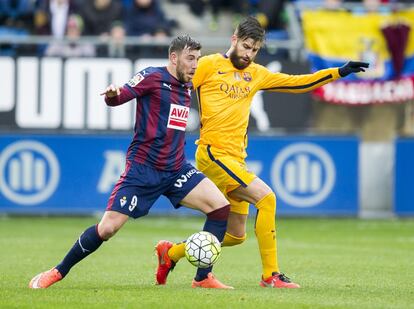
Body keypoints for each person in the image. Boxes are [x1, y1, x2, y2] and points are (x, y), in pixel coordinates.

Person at [155, 16, 369, 288]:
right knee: (266, 199)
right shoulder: (207, 65)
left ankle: (171, 253)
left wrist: (337, 72)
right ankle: (271, 275)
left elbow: (297, 83)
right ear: (233, 39)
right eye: (245, 46)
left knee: (235, 235)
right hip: (212, 154)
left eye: (254, 50)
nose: (248, 54)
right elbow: (174, 83)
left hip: (235, 159)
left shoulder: (256, 73)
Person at [29, 35, 233, 290]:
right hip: (143, 170)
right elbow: (120, 96)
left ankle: (202, 278)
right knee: (107, 229)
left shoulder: (187, 84)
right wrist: (112, 95)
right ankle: (57, 272)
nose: (195, 65)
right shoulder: (152, 77)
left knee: (220, 207)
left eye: (197, 59)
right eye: (190, 59)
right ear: (174, 57)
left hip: (176, 168)